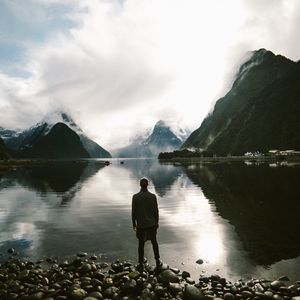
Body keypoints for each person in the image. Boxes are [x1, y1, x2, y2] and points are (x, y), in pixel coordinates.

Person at [131, 177, 162, 269]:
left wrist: (134, 223)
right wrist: (156, 222)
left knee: (141, 244)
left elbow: (134, 212)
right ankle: (157, 260)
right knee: (154, 242)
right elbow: (156, 211)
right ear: (148, 185)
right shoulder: (153, 196)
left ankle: (140, 262)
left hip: (141, 225)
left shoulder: (135, 197)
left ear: (140, 185)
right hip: (151, 224)